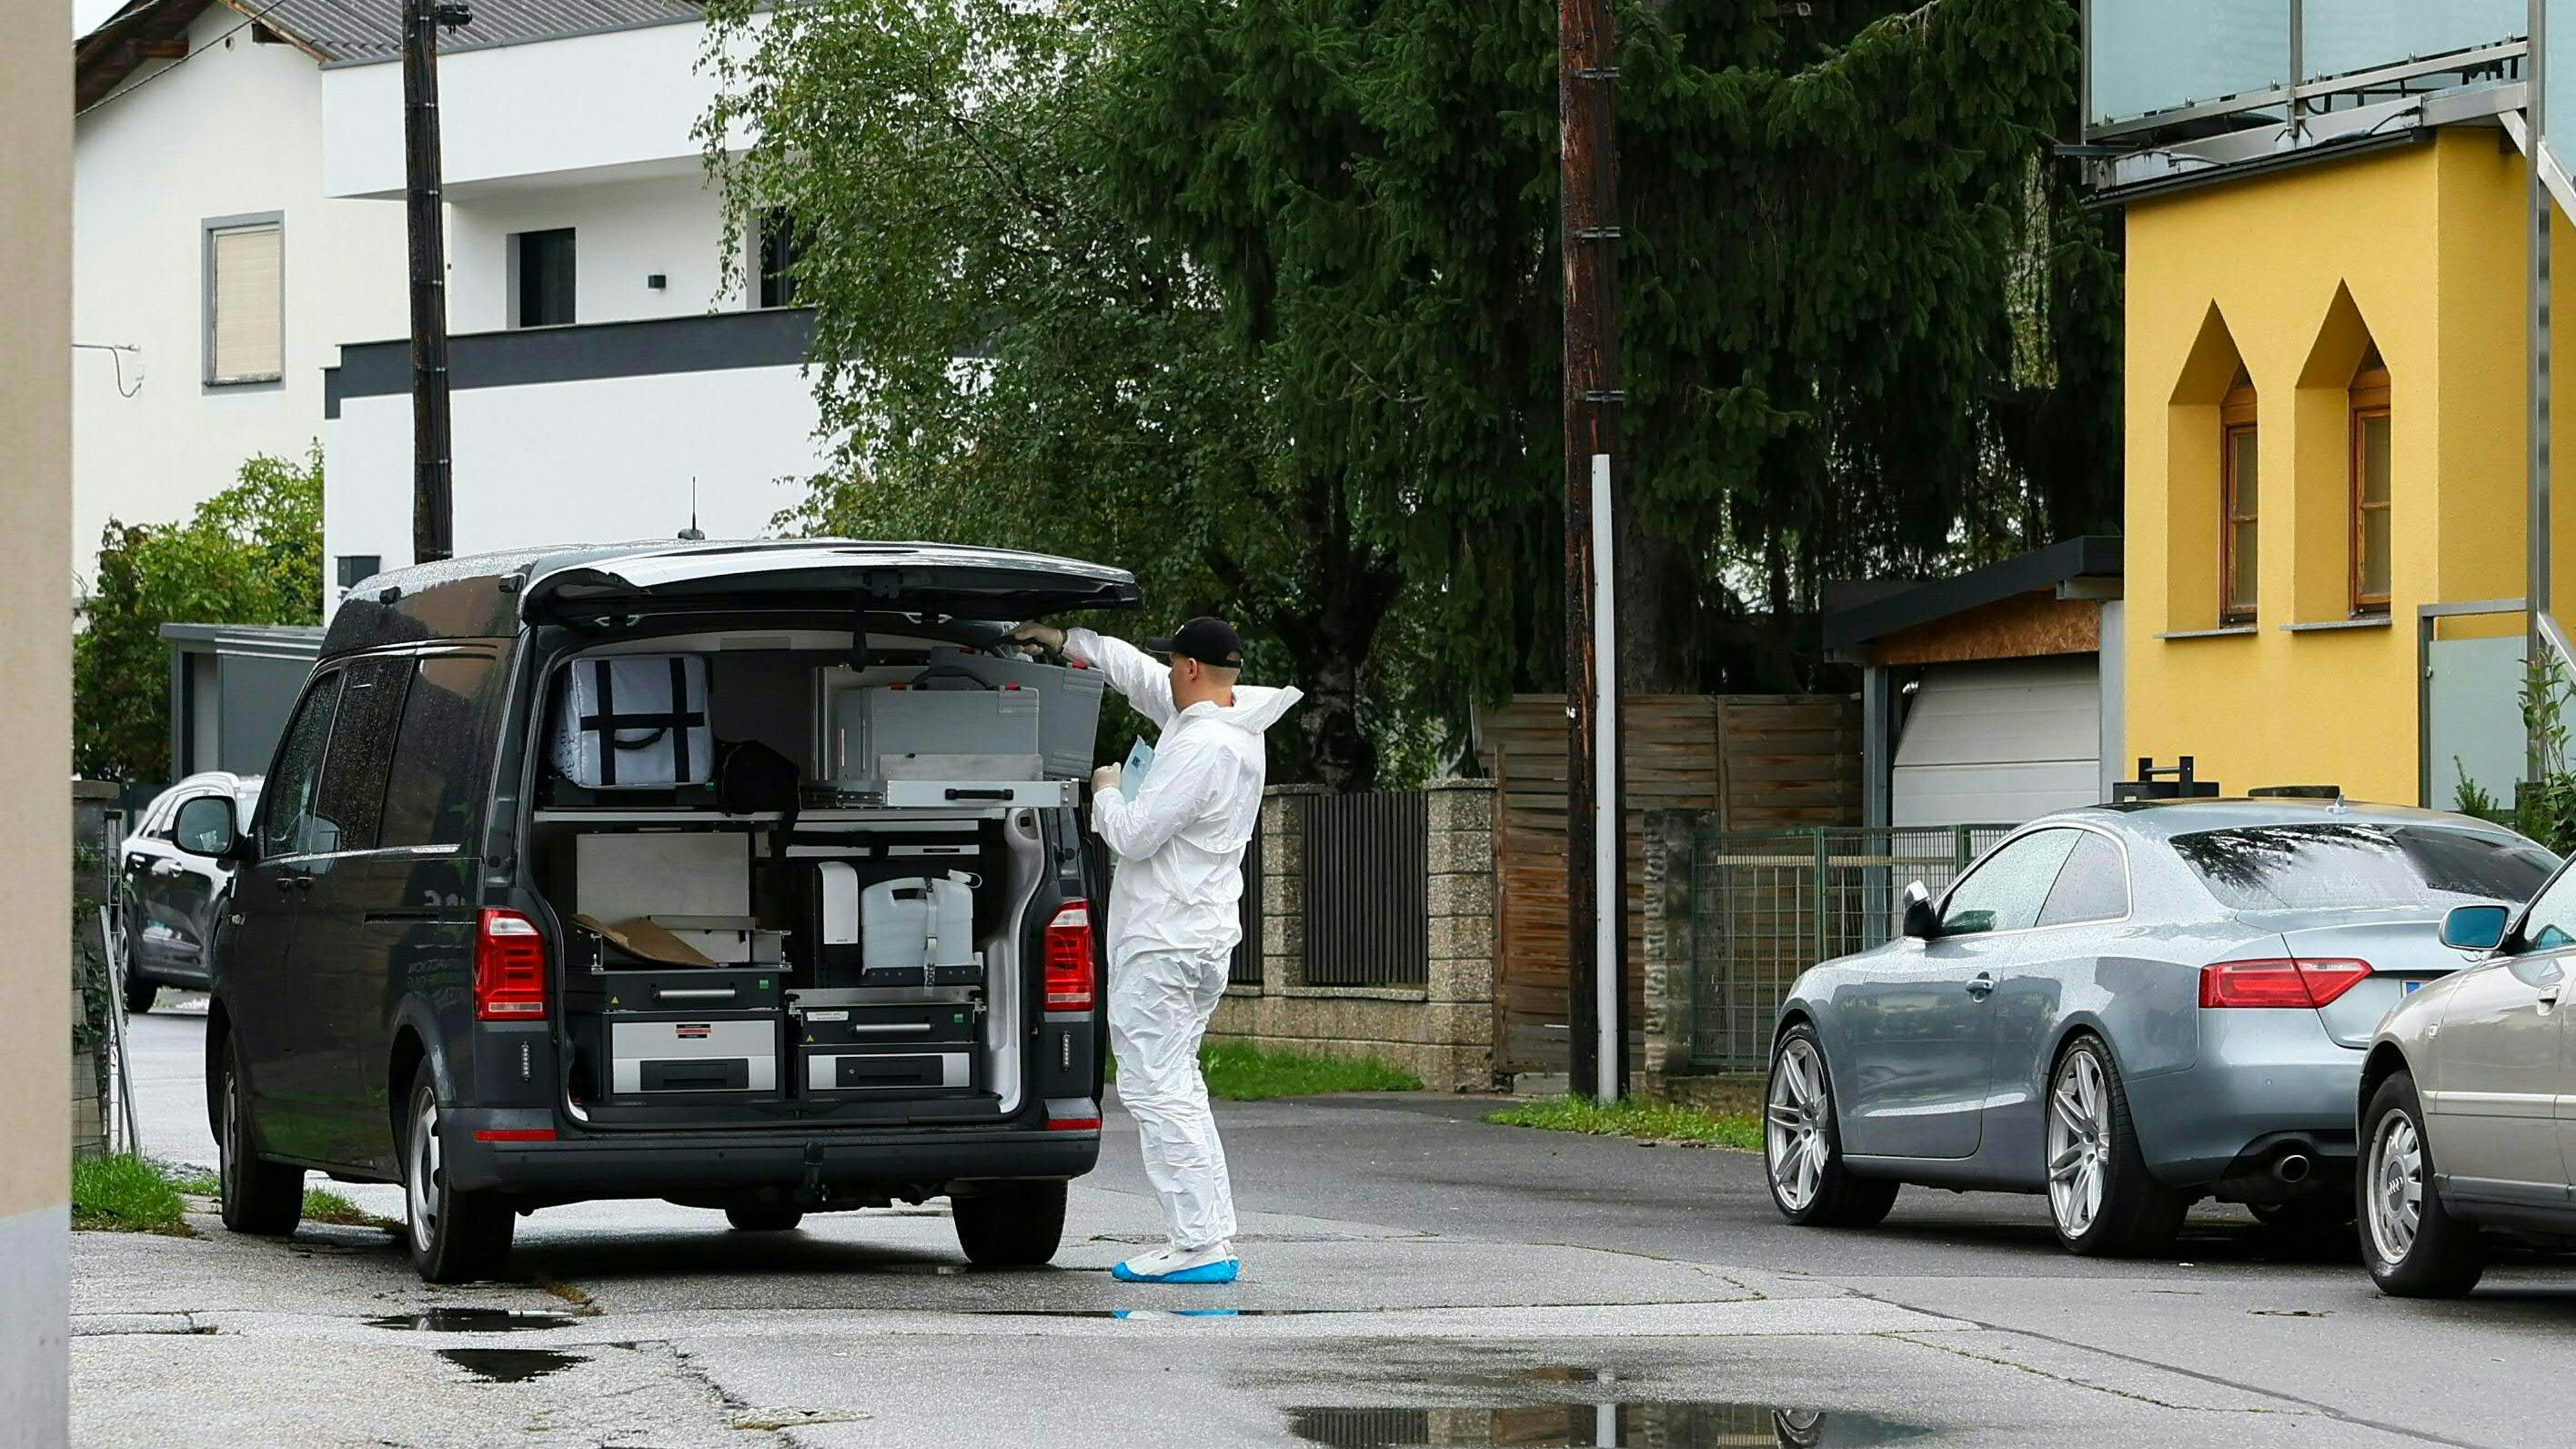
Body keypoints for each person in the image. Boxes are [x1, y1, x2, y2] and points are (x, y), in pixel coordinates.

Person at [1010, 616, 1300, 1284]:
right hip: (1196, 939)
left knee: (1155, 1089)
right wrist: (1069, 641)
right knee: (1178, 1085)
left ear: (1191, 668)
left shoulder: (1203, 748)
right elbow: (1138, 674)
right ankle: (1209, 1235)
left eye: (1173, 664)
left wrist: (1106, 792)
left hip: (1165, 944)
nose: (1165, 673)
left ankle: (1197, 1242)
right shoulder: (1230, 722)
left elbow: (1134, 835)